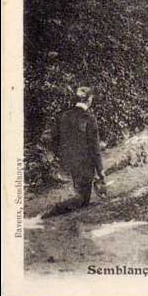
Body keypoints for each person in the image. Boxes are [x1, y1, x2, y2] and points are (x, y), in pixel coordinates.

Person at [42, 87, 105, 219]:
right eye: (91, 98)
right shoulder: (89, 118)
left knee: (80, 196)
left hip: (67, 162)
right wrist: (100, 171)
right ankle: (54, 210)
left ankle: (67, 215)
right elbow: (95, 148)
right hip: (84, 164)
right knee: (82, 199)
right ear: (89, 99)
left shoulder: (64, 116)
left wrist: (57, 157)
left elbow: (53, 138)